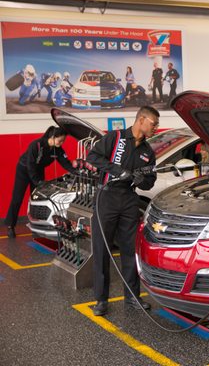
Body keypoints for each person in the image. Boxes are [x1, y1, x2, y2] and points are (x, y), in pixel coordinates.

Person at [86, 106, 160, 316]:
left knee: (130, 249)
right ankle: (101, 300)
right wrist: (120, 171)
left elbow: (149, 182)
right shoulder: (115, 138)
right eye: (154, 124)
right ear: (142, 120)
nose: (156, 128)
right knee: (102, 249)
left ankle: (132, 297)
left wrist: (141, 180)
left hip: (129, 199)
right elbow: (93, 157)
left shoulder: (148, 152)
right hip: (106, 197)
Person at [5, 126, 75, 238]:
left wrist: (76, 172)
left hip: (38, 171)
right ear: (53, 137)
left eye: (63, 141)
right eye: (60, 140)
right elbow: (30, 165)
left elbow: (65, 163)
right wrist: (37, 182)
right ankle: (10, 226)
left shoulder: (57, 149)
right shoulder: (36, 145)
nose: (61, 143)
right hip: (24, 169)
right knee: (17, 198)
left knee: (39, 199)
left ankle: (38, 225)